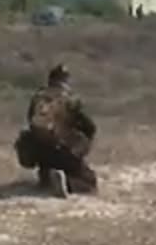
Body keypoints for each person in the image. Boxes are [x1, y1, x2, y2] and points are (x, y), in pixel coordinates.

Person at [14, 64, 98, 197]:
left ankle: (48, 179)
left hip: (40, 152)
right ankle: (67, 181)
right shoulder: (70, 99)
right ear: (65, 80)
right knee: (89, 182)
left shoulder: (38, 97)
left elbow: (31, 121)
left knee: (46, 173)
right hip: (63, 151)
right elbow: (90, 127)